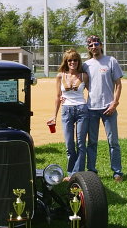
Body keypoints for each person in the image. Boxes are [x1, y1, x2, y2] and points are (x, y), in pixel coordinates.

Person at [82, 35, 124, 182]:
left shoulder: (111, 61)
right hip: (92, 109)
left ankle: (117, 172)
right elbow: (84, 84)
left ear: (101, 45)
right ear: (88, 48)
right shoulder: (86, 65)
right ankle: (92, 170)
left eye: (96, 44)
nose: (94, 47)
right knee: (92, 142)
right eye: (91, 45)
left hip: (109, 108)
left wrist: (115, 103)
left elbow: (118, 84)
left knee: (113, 141)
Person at [47, 49, 89, 181]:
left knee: (81, 144)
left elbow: (93, 92)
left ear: (78, 61)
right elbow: (58, 96)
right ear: (66, 62)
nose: (73, 62)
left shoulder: (84, 76)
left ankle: (77, 173)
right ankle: (71, 172)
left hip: (82, 109)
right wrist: (54, 115)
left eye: (75, 60)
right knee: (69, 144)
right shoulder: (60, 76)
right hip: (66, 111)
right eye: (70, 60)